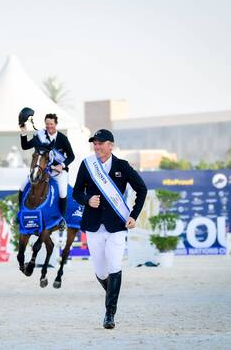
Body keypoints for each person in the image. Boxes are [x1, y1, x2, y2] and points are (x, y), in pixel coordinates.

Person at [73, 129, 147, 329]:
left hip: (117, 226)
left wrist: (133, 215)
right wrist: (87, 199)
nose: (96, 147)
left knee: (114, 265)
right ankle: (112, 295)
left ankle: (109, 313)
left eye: (100, 143)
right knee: (100, 270)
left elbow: (142, 189)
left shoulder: (122, 166)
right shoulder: (87, 165)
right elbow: (76, 192)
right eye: (94, 143)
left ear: (110, 145)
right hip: (94, 225)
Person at [19, 113, 74, 225]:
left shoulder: (62, 138)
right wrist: (23, 132)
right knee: (22, 186)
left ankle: (61, 220)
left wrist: (62, 165)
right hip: (41, 170)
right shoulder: (40, 135)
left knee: (63, 192)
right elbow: (25, 146)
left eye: (51, 124)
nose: (49, 126)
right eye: (47, 124)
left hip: (58, 171)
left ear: (56, 124)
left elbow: (71, 156)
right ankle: (20, 213)